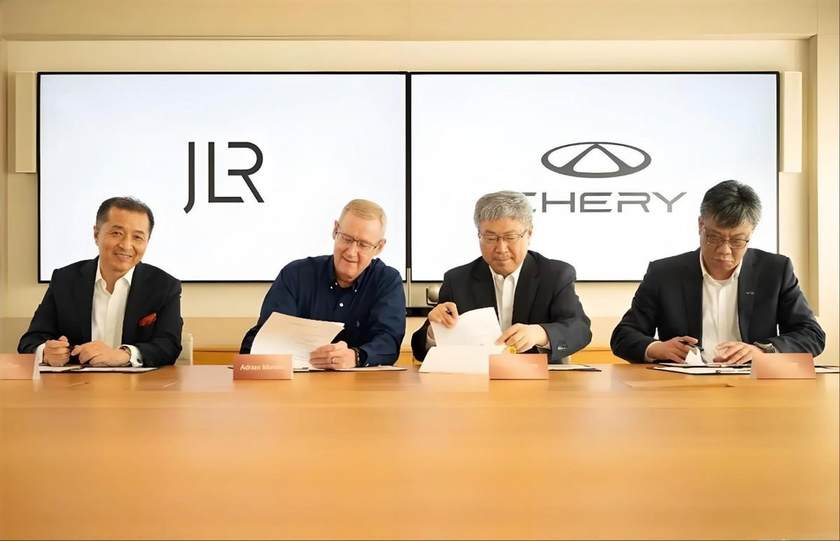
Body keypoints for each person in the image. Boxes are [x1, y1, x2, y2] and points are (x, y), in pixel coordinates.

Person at [610, 180, 825, 365]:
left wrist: (763, 350)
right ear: (700, 225)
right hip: (683, 384)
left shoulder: (775, 270)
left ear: (751, 232)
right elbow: (623, 336)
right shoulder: (664, 273)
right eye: (713, 237)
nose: (724, 250)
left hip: (753, 384)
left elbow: (812, 335)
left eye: (737, 241)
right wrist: (658, 348)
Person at [411, 190, 592, 363]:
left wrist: (540, 333)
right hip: (477, 378)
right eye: (490, 238)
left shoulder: (555, 275)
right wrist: (434, 331)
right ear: (479, 235)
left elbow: (580, 330)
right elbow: (420, 350)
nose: (501, 248)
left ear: (529, 234)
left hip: (538, 377)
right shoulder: (457, 280)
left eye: (510, 237)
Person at [240, 199, 405, 368]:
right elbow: (266, 337)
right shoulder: (295, 275)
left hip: (363, 383)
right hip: (297, 381)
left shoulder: (387, 281)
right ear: (335, 230)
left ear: (379, 247)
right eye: (346, 239)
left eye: (363, 244)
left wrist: (355, 356)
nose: (351, 252)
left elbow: (389, 343)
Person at [18, 197, 182, 367]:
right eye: (117, 233)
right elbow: (30, 341)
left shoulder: (165, 286)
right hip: (75, 382)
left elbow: (169, 346)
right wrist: (46, 352)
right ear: (96, 234)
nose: (126, 245)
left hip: (137, 383)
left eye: (137, 237)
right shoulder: (65, 280)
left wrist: (124, 355)